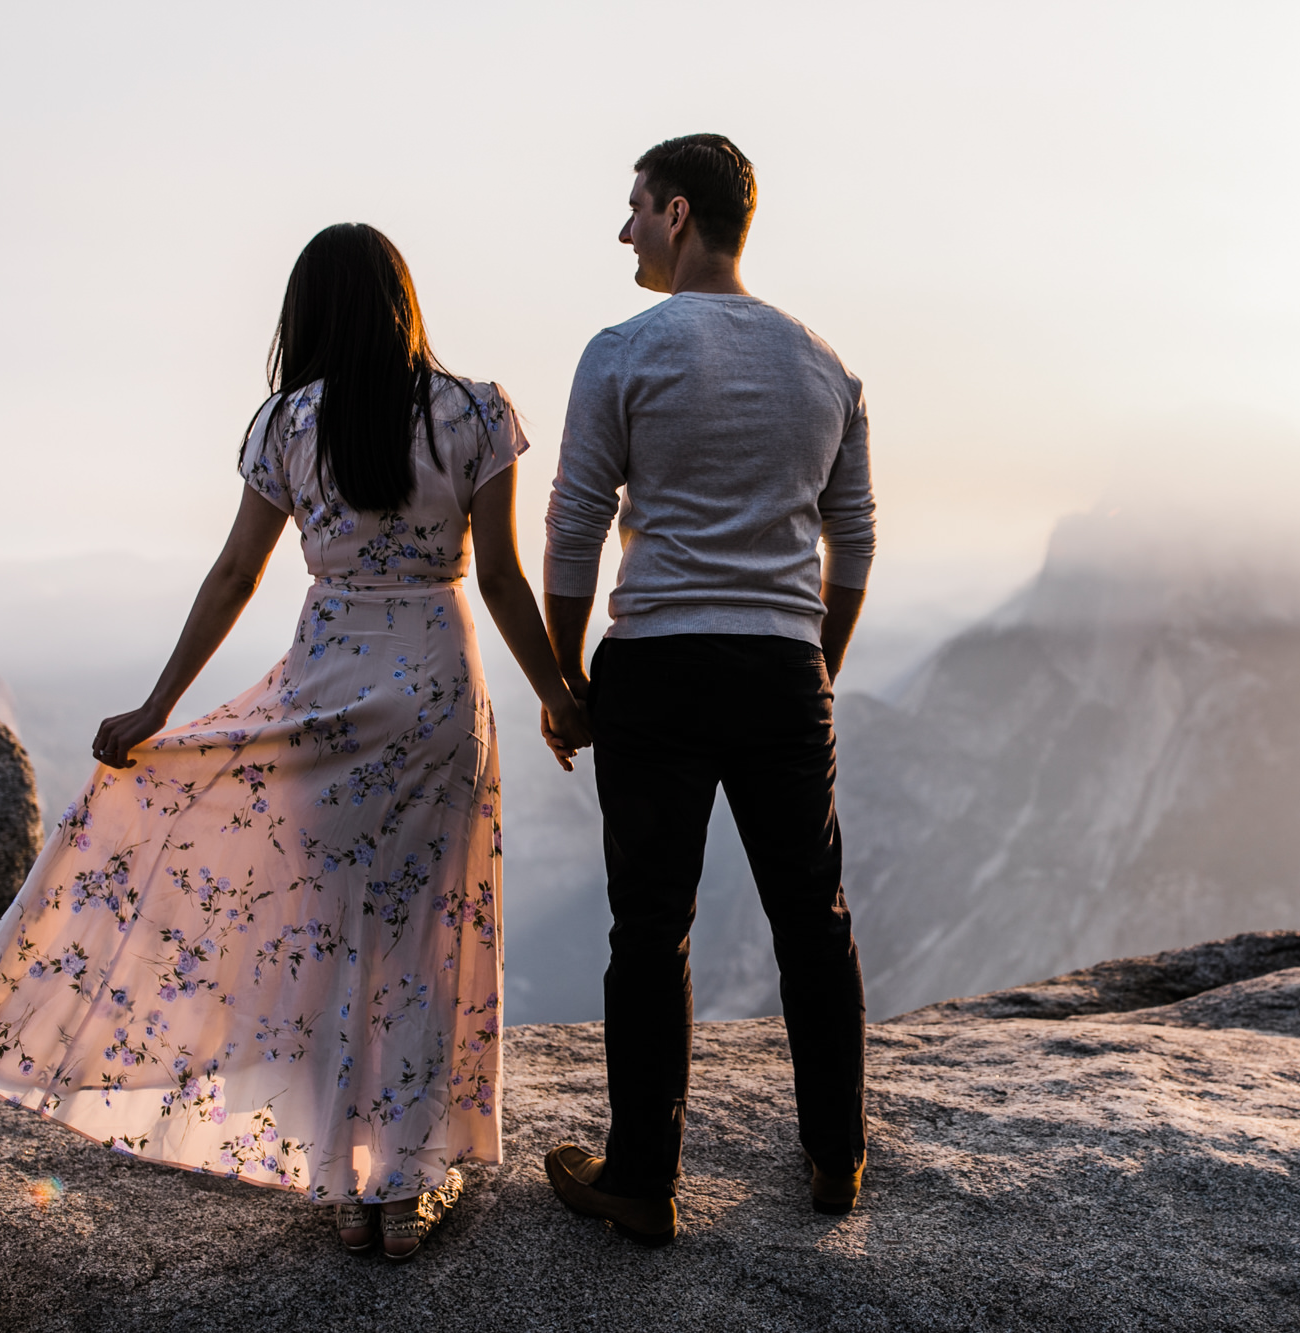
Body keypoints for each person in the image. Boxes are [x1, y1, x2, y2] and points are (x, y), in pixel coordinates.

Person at [0, 223, 593, 1262]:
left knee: (330, 927)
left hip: (328, 681)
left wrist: (156, 708)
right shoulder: (474, 412)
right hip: (436, 688)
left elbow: (233, 574)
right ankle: (404, 1185)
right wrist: (555, 693)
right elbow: (499, 577)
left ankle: (344, 1173)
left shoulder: (287, 422)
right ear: (403, 303)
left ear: (307, 314)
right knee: (420, 932)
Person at [540, 133, 876, 1246]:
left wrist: (561, 674)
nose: (624, 227)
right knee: (811, 920)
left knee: (650, 925)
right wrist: (811, 662)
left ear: (678, 213)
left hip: (660, 665)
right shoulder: (824, 364)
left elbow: (576, 524)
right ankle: (835, 1160)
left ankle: (643, 1176)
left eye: (634, 205)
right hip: (781, 666)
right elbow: (854, 541)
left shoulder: (622, 350)